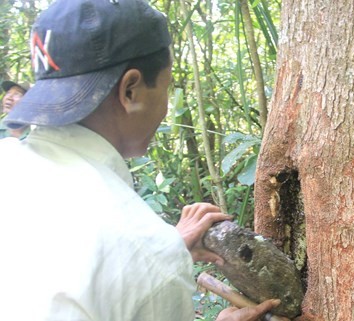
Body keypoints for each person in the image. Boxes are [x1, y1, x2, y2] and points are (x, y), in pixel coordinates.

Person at [0, 1, 285, 320]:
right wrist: (153, 259)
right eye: (167, 85)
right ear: (131, 90)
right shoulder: (145, 251)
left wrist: (156, 254)